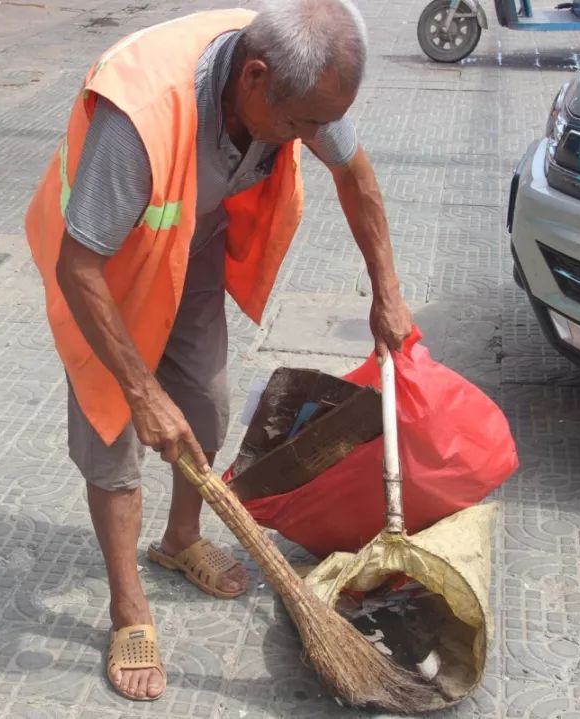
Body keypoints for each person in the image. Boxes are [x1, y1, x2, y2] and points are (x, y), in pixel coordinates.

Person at [25, 0, 412, 702]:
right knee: (116, 425)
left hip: (188, 236)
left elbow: (356, 175)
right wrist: (141, 390)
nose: (316, 137)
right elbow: (76, 265)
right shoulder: (139, 114)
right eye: (304, 126)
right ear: (255, 78)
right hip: (102, 262)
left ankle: (178, 540)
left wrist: (386, 291)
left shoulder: (305, 82)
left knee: (204, 402)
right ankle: (127, 607)